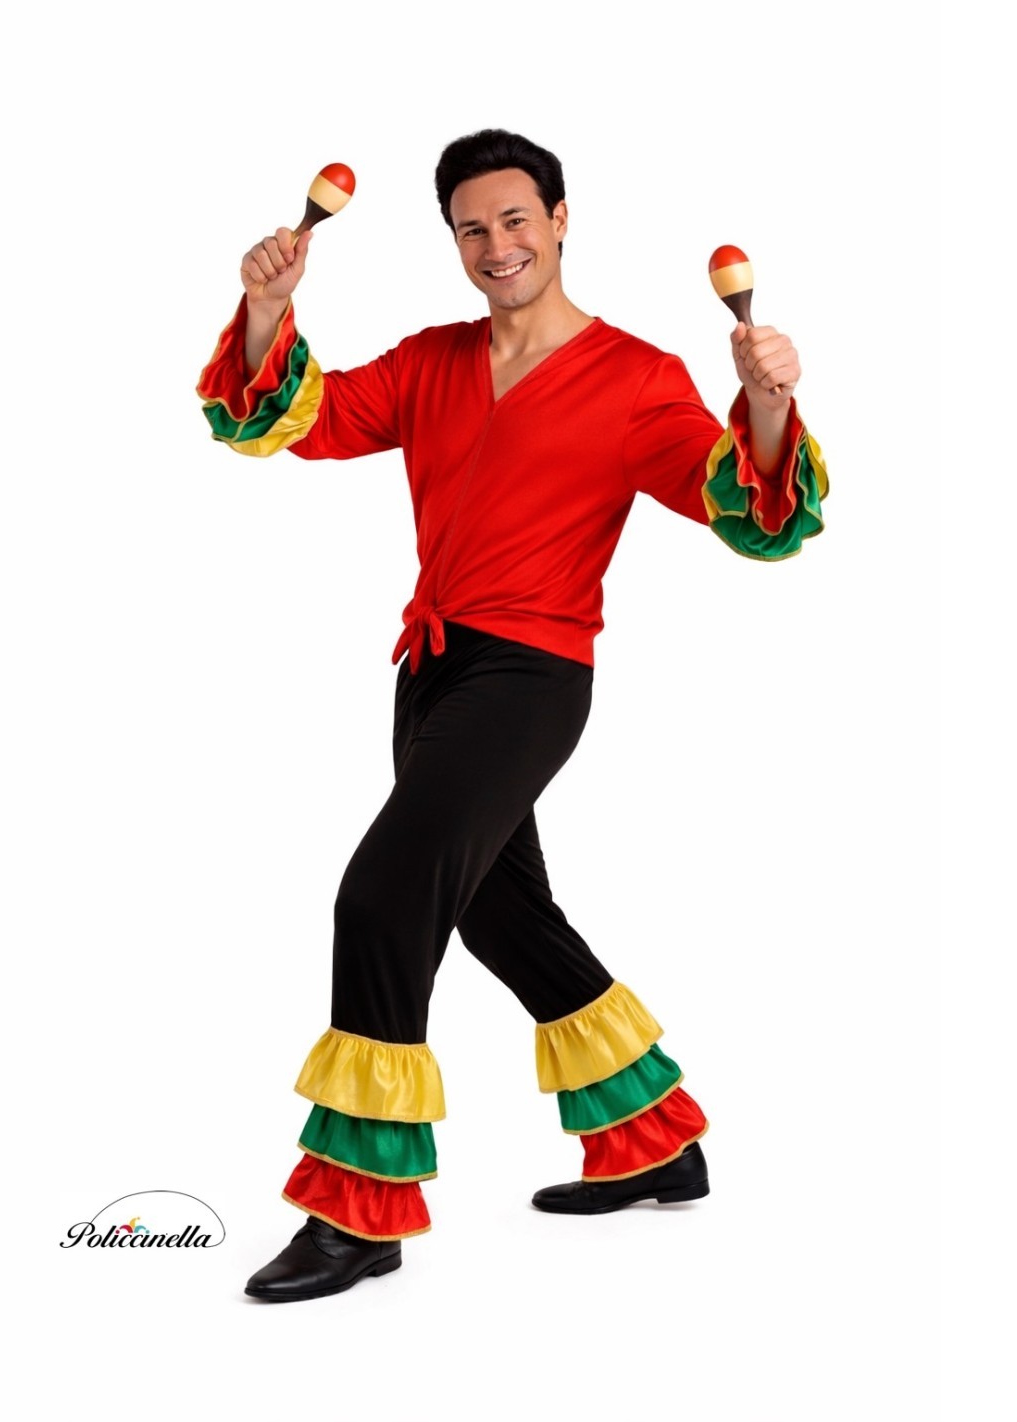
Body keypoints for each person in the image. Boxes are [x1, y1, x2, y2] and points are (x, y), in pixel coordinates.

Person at [196, 129, 827, 1304]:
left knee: (381, 897)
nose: (496, 245)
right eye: (471, 228)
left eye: (515, 219)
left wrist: (764, 401)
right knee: (501, 913)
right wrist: (265, 309)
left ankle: (356, 1211)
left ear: (559, 220)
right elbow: (295, 421)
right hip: (430, 672)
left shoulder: (634, 378)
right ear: (453, 240)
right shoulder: (430, 360)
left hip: (530, 680)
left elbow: (746, 510)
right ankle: (651, 1142)